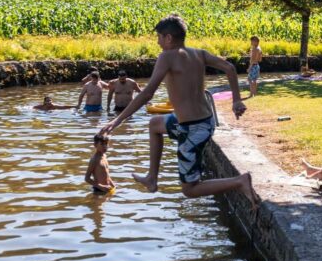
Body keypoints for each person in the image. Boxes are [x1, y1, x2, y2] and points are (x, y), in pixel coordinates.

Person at [96, 14, 257, 208]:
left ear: (168, 38)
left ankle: (240, 181)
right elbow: (230, 68)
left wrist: (117, 121)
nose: (157, 41)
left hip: (194, 129)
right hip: (201, 122)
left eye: (159, 37)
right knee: (155, 124)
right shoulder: (199, 53)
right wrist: (236, 100)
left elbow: (147, 93)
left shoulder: (167, 57)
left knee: (189, 189)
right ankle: (152, 178)